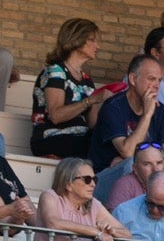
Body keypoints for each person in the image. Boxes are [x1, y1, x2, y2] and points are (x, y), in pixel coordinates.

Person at [89, 54, 164, 204]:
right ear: (133, 79)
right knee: (130, 164)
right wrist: (147, 114)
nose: (156, 85)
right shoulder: (113, 106)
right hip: (104, 178)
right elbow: (128, 152)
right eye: (151, 79)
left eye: (159, 80)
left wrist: (151, 164)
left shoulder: (161, 111)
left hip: (146, 176)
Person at [31, 16, 109, 158]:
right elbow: (55, 116)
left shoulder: (87, 81)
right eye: (92, 40)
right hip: (52, 138)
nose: (98, 46)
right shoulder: (55, 71)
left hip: (79, 140)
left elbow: (94, 125)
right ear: (76, 39)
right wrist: (91, 100)